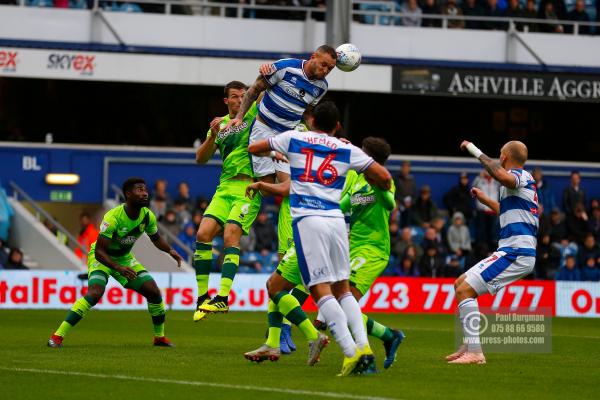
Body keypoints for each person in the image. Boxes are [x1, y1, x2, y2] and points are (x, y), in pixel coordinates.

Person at [248, 101, 393, 376]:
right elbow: (384, 176)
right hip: (337, 223)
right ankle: (364, 349)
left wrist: (282, 154)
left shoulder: (294, 138)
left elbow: (254, 148)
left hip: (308, 220)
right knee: (343, 289)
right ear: (337, 126)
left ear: (311, 120)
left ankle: (350, 354)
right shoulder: (345, 148)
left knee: (319, 291)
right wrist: (382, 186)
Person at [47, 178, 183, 348]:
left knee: (153, 292)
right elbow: (99, 252)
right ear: (128, 194)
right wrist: (118, 268)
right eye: (139, 190)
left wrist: (170, 250)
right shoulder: (113, 217)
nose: (145, 193)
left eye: (145, 189)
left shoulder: (147, 216)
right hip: (102, 258)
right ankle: (57, 336)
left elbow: (156, 238)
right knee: (95, 293)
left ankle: (159, 338)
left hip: (124, 258)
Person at [447, 140, 538, 364]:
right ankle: (469, 344)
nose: (498, 157)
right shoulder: (513, 186)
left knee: (465, 290)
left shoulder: (521, 176)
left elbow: (501, 175)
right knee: (460, 284)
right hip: (511, 250)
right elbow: (505, 211)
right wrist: (485, 199)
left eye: (500, 154)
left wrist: (474, 150)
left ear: (505, 157)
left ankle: (476, 353)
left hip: (516, 252)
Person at [193, 81, 262, 320]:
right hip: (225, 187)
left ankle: (222, 298)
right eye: (235, 97)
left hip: (248, 186)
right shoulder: (220, 125)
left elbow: (264, 91)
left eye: (243, 96)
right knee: (203, 235)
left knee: (231, 234)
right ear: (226, 101)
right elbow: (200, 158)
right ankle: (203, 298)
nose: (240, 100)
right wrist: (212, 136)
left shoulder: (253, 112)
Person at [472, 169, 500, 250]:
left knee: (492, 231)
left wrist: (495, 174)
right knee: (481, 230)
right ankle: (480, 249)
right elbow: (473, 187)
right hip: (481, 209)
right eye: (486, 171)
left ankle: (491, 249)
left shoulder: (496, 181)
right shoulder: (479, 180)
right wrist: (479, 177)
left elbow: (503, 184)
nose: (488, 172)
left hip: (493, 209)